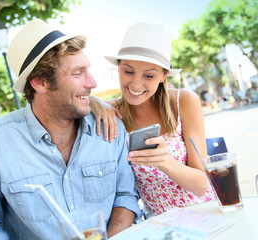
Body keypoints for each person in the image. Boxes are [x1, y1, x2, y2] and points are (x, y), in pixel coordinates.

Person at [0, 19, 140, 239]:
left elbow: (125, 197)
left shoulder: (109, 127)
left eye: (88, 70)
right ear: (40, 83)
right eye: (78, 73)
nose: (92, 83)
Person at [90, 22, 215, 217]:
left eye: (149, 75)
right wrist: (92, 101)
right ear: (119, 68)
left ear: (164, 75)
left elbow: (201, 185)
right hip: (159, 226)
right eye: (128, 71)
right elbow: (74, 100)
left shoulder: (185, 102)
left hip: (205, 213)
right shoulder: (111, 111)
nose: (136, 84)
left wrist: (165, 161)